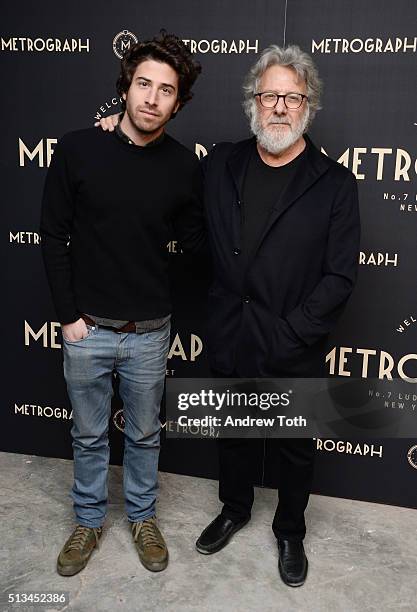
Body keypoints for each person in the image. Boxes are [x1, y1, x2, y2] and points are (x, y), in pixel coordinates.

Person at [97, 43, 360, 587]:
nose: (280, 107)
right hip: (230, 332)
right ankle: (234, 509)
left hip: (294, 342)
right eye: (270, 96)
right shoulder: (219, 162)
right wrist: (118, 130)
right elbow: (163, 177)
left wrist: (293, 333)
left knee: (293, 447)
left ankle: (291, 531)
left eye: (292, 97)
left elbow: (339, 277)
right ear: (253, 103)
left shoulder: (334, 184)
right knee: (235, 435)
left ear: (307, 106)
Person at [40, 31, 204, 576]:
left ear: (178, 102)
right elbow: (53, 235)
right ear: (126, 87)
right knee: (87, 435)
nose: (152, 98)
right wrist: (68, 317)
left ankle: (141, 516)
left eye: (165, 90)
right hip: (87, 329)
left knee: (143, 434)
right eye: (144, 84)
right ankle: (87, 520)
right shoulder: (79, 148)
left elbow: (195, 242)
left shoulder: (184, 167)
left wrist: (163, 295)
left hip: (150, 332)